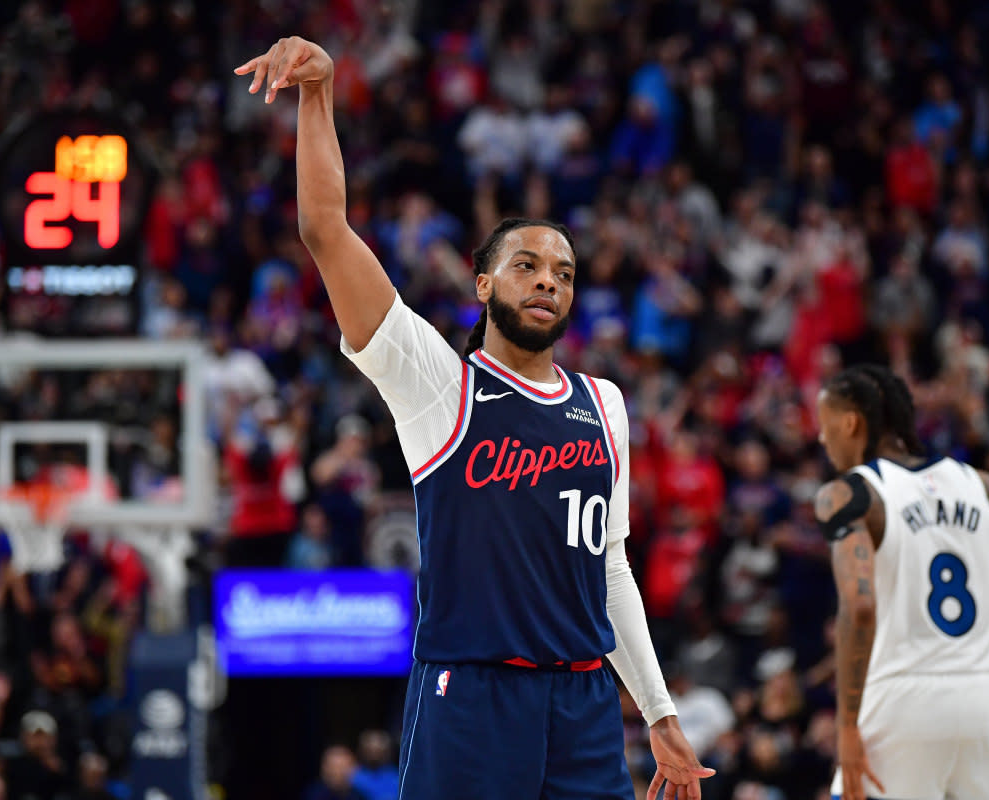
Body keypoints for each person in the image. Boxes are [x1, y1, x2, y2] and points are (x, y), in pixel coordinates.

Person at [235, 36, 714, 800]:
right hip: (472, 699)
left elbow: (610, 570)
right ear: (484, 283)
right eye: (526, 265)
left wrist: (657, 713)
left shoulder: (604, 405)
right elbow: (326, 229)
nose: (548, 281)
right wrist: (319, 96)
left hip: (586, 706)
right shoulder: (438, 383)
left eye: (563, 272)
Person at [812, 364, 989, 800]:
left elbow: (859, 606)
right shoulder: (984, 486)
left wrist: (845, 728)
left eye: (825, 428)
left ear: (850, 423)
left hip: (901, 705)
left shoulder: (851, 494)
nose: (823, 441)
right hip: (983, 706)